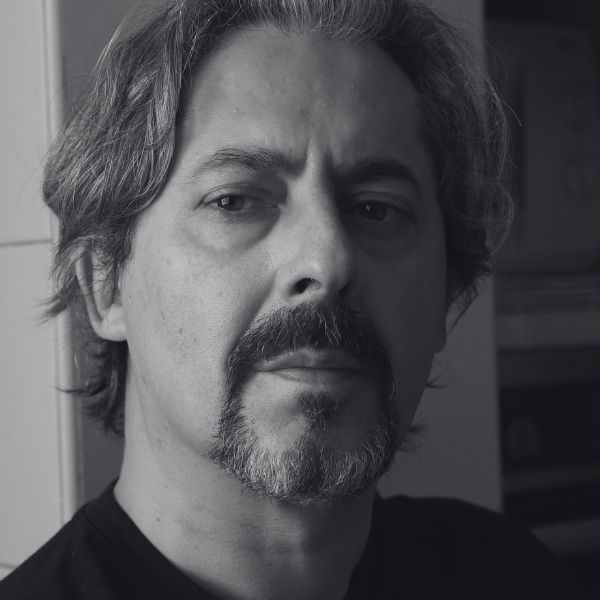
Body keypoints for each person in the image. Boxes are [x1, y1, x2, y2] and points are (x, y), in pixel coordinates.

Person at [0, 0, 571, 598]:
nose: (327, 260)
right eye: (235, 201)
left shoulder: (509, 574)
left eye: (376, 208)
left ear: (448, 294)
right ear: (106, 285)